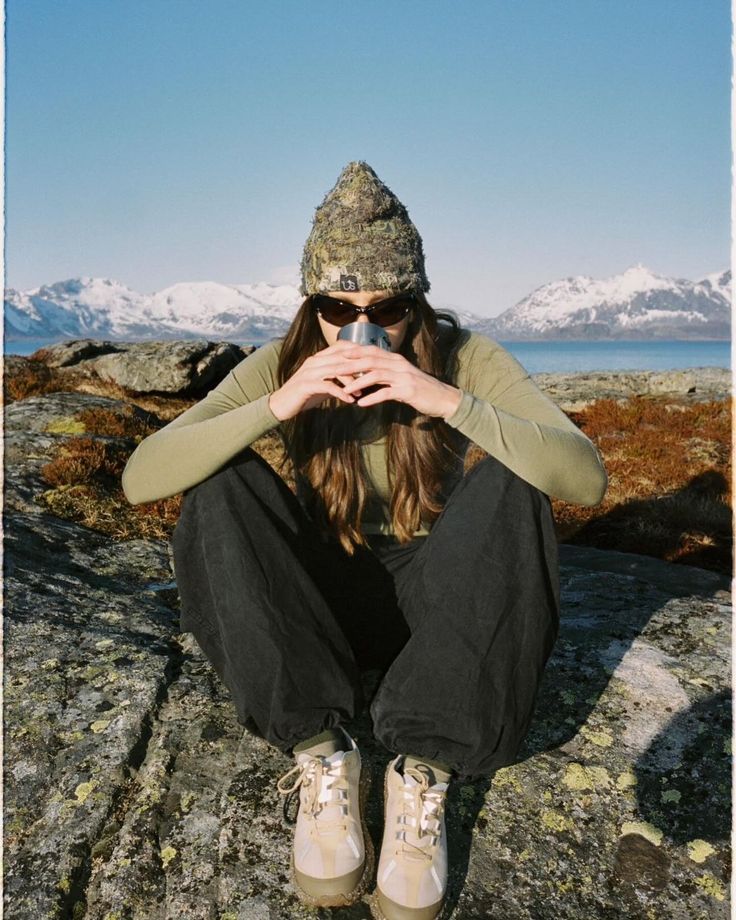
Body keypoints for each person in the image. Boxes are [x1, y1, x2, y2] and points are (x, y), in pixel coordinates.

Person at [121, 161, 608, 920]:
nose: (363, 327)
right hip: (325, 598)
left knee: (516, 481)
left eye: (388, 307)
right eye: (335, 305)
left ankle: (423, 770)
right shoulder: (283, 362)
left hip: (433, 598)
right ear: (309, 304)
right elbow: (141, 478)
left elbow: (582, 478)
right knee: (219, 482)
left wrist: (443, 398)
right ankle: (324, 757)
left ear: (417, 304)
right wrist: (280, 402)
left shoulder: (466, 356)